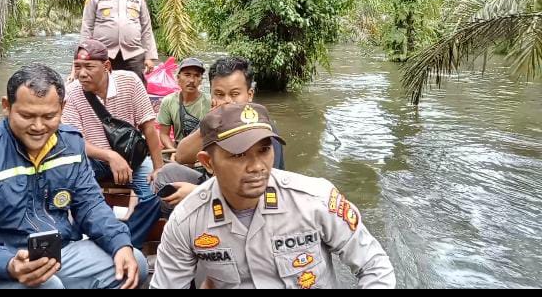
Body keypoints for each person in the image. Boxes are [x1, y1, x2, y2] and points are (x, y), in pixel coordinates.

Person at [0, 64, 146, 289]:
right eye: (27, 116)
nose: (38, 127)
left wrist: (120, 242)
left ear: (62, 108)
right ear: (6, 107)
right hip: (1, 268)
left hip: (60, 254)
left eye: (49, 116)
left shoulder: (71, 145)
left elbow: (91, 206)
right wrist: (9, 264)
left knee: (134, 262)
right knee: (50, 286)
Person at [150, 103, 396, 289]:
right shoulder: (187, 220)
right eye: (239, 155)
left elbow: (374, 265)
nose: (257, 166)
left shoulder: (315, 200)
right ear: (208, 163)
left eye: (264, 150)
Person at [62, 39, 163, 248]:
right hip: (94, 159)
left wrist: (159, 168)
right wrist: (110, 156)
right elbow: (75, 142)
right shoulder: (71, 92)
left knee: (155, 194)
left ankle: (126, 244)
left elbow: (148, 127)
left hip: (132, 158)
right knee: (74, 188)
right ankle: (80, 241)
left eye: (89, 67)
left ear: (106, 66)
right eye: (78, 67)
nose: (82, 73)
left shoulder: (130, 82)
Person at [153, 56, 284, 215]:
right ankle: (186, 228)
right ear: (212, 95)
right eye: (220, 94)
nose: (227, 101)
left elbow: (261, 184)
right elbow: (181, 156)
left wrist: (199, 193)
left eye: (235, 94)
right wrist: (208, 127)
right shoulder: (214, 120)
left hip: (247, 194)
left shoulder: (263, 129)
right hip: (213, 182)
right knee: (167, 173)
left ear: (250, 95)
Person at [81, 0, 158, 85]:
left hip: (133, 54)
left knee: (137, 91)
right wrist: (84, 54)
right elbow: (87, 26)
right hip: (104, 54)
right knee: (102, 90)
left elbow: (146, 28)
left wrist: (150, 56)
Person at [156, 57, 211, 152]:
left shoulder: (210, 102)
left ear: (201, 80)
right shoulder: (168, 101)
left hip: (203, 151)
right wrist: (173, 150)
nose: (192, 80)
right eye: (187, 75)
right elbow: (164, 134)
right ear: (178, 78)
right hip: (177, 149)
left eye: (197, 75)